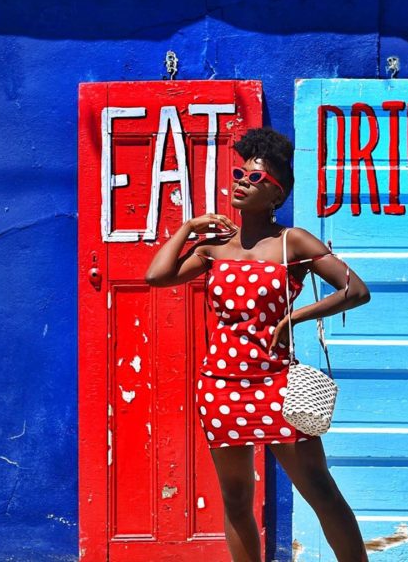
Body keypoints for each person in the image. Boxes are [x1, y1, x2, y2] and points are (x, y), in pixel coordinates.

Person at [145, 127, 371, 562]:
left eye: (255, 178)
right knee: (235, 500)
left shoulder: (293, 242)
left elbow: (355, 290)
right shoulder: (213, 249)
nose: (242, 183)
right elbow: (157, 276)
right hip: (221, 386)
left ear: (276, 194)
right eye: (239, 174)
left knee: (319, 489)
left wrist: (295, 317)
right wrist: (189, 227)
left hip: (278, 384)